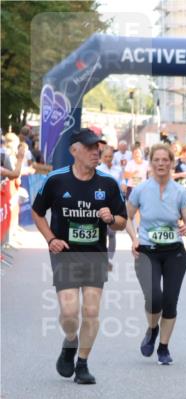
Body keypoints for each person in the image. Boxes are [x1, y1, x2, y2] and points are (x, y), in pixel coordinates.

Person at [30, 129, 128, 384]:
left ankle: (82, 364)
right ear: (75, 151)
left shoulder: (108, 183)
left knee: (92, 311)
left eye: (98, 147)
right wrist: (51, 239)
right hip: (65, 253)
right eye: (90, 147)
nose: (96, 152)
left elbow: (122, 221)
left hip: (95, 254)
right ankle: (70, 341)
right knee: (70, 312)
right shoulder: (56, 180)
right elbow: (38, 213)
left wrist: (111, 219)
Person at [125, 144, 186, 366]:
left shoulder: (180, 192)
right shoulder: (140, 190)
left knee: (170, 301)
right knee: (154, 298)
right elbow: (126, 217)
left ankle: (164, 347)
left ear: (172, 163)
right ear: (151, 162)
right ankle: (152, 329)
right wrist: (134, 238)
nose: (161, 163)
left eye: (166, 160)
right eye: (157, 159)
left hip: (174, 252)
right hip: (147, 251)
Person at [98, 145, 125, 267]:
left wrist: (124, 185)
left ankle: (109, 258)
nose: (108, 158)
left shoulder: (118, 170)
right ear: (102, 157)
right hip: (101, 204)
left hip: (114, 204)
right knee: (102, 232)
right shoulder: (98, 169)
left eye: (110, 156)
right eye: (106, 156)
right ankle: (102, 256)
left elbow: (123, 182)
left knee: (112, 233)